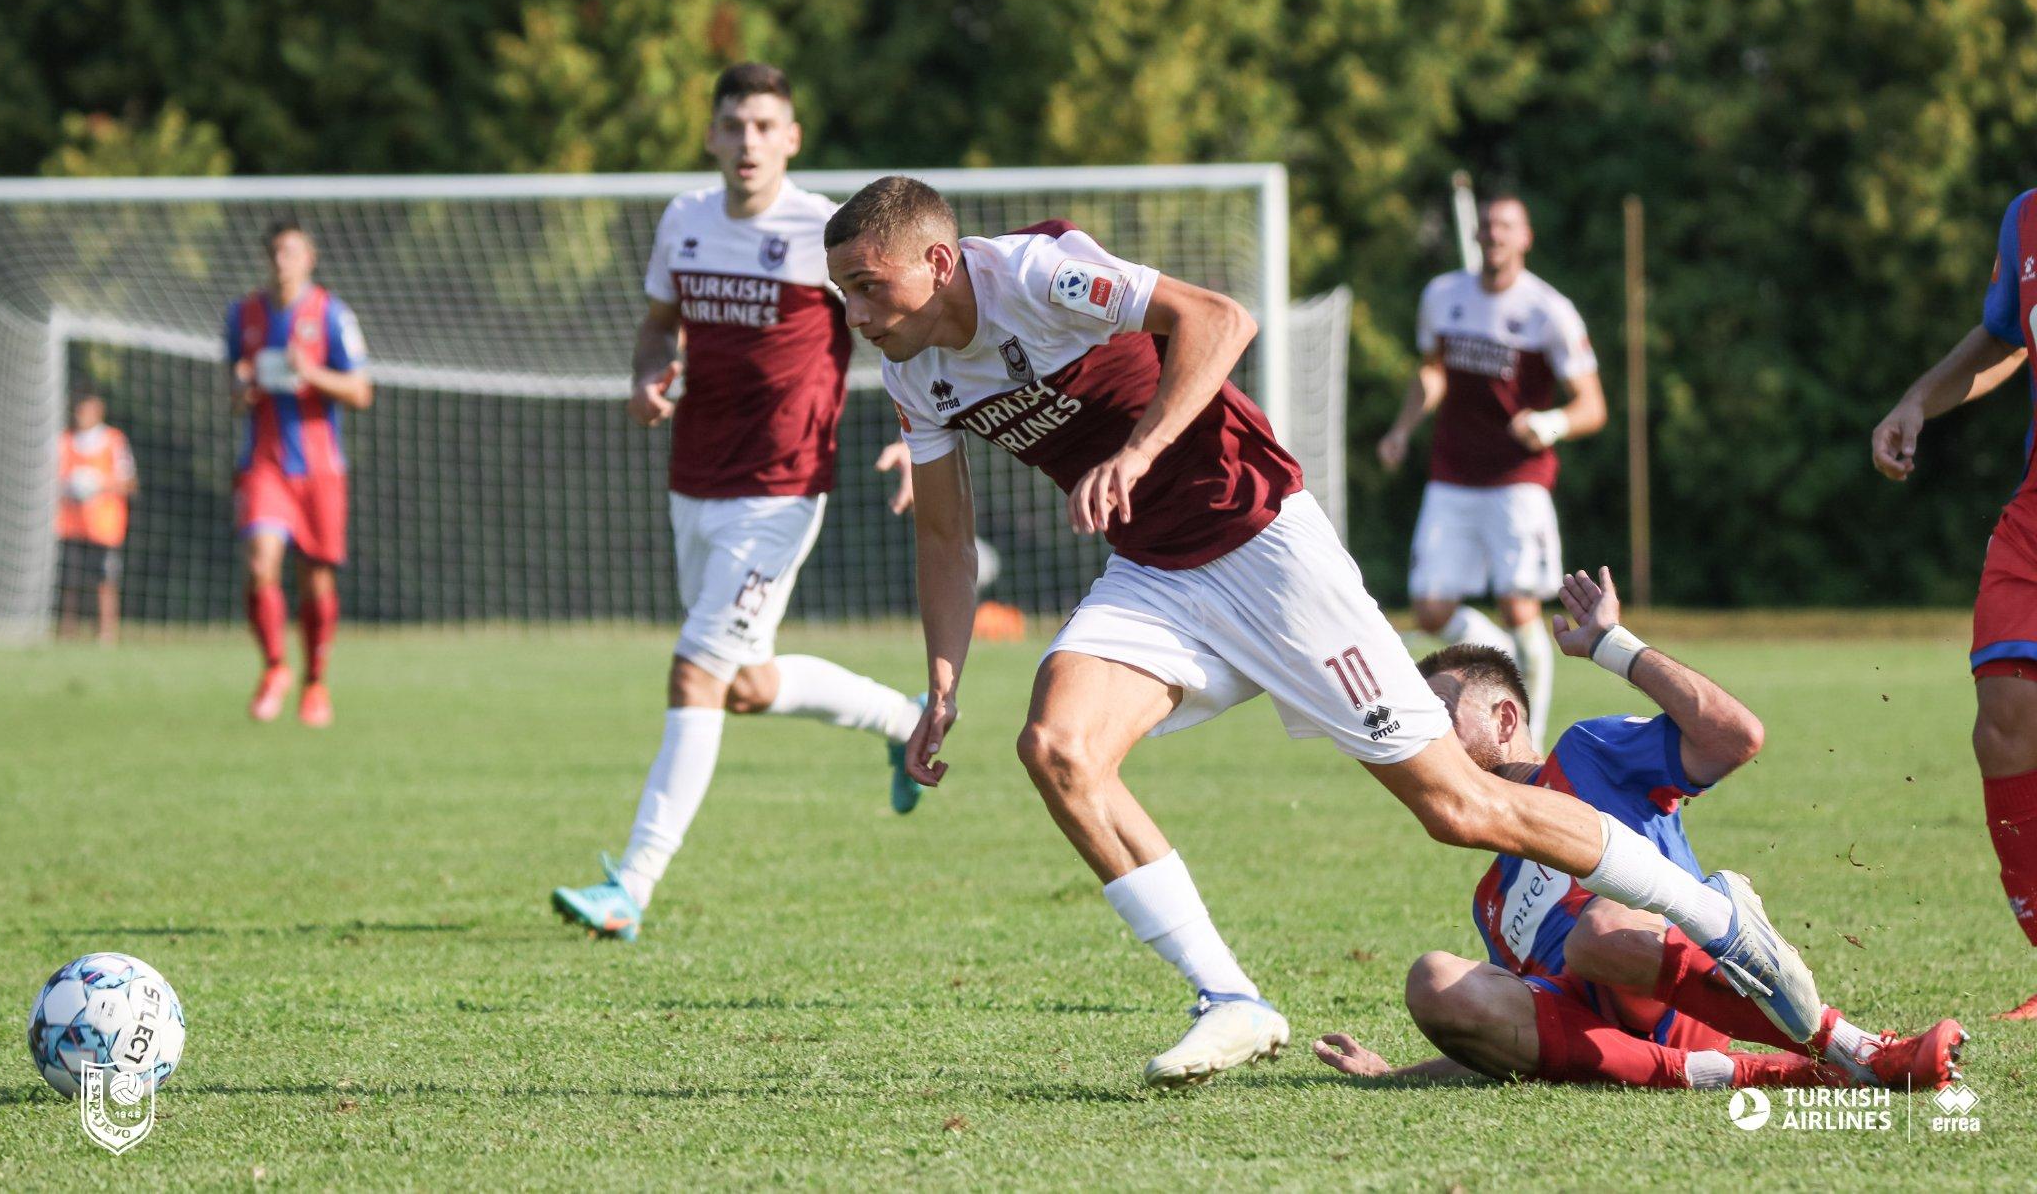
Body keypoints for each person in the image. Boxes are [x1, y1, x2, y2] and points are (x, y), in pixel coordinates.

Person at [827, 174, 1822, 1090]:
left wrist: (1138, 450)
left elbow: (1220, 320)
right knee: (1057, 748)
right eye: (844, 297)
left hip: (1264, 544)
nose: (858, 317)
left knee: (1457, 807)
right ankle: (1231, 998)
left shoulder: (1040, 274)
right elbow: (946, 539)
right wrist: (942, 683)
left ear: (940, 263)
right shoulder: (918, 374)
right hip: (1156, 576)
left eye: (869, 289)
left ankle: (1714, 921)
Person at [1311, 569, 1965, 1093]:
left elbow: (1736, 738)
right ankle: (1766, 1073)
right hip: (1611, 1046)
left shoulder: (1587, 751)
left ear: (1507, 717)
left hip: (1686, 1000)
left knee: (1597, 934)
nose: (1430, 733)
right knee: (1432, 980)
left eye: (1442, 712)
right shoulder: (1490, 895)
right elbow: (1517, 1031)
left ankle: (1845, 1047)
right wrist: (1395, 1075)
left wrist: (1612, 645)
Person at [552, 64, 921, 943]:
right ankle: (901, 719)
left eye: (764, 124)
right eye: (732, 124)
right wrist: (647, 376)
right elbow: (657, 325)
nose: (747, 140)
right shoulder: (683, 221)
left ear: (791, 138)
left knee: (693, 672)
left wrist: (919, 431)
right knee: (741, 685)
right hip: (695, 480)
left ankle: (631, 886)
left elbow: (901, 327)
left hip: (782, 488)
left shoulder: (825, 231)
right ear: (712, 137)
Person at [1871, 186, 2037, 1021]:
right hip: (2036, 515)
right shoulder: (2025, 217)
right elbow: (2006, 335)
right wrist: (1917, 399)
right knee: (2004, 721)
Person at [1377, 196, 1605, 743]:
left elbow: (1591, 406)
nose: (1494, 234)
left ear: (1525, 238)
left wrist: (1549, 424)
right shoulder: (1443, 296)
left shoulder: (1549, 310)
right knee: (1430, 609)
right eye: (1487, 226)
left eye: (1505, 226)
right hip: (1452, 472)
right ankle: (1503, 658)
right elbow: (1432, 372)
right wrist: (1402, 428)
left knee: (1519, 601)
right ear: (1476, 236)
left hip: (1516, 481)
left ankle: (1532, 737)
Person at [226, 222, 372, 727]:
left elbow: (361, 391)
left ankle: (315, 681)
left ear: (311, 257)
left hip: (318, 467)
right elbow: (232, 389)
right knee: (261, 561)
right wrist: (241, 388)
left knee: (315, 579)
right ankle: (274, 668)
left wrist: (309, 373)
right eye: (275, 250)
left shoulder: (331, 314)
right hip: (264, 462)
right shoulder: (242, 314)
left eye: (291, 250)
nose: (281, 258)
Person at [55, 392, 137, 643]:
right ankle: (66, 633)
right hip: (71, 525)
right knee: (69, 580)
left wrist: (99, 485)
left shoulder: (114, 441)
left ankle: (106, 634)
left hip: (104, 527)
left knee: (105, 580)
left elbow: (130, 483)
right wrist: (69, 486)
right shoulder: (64, 441)